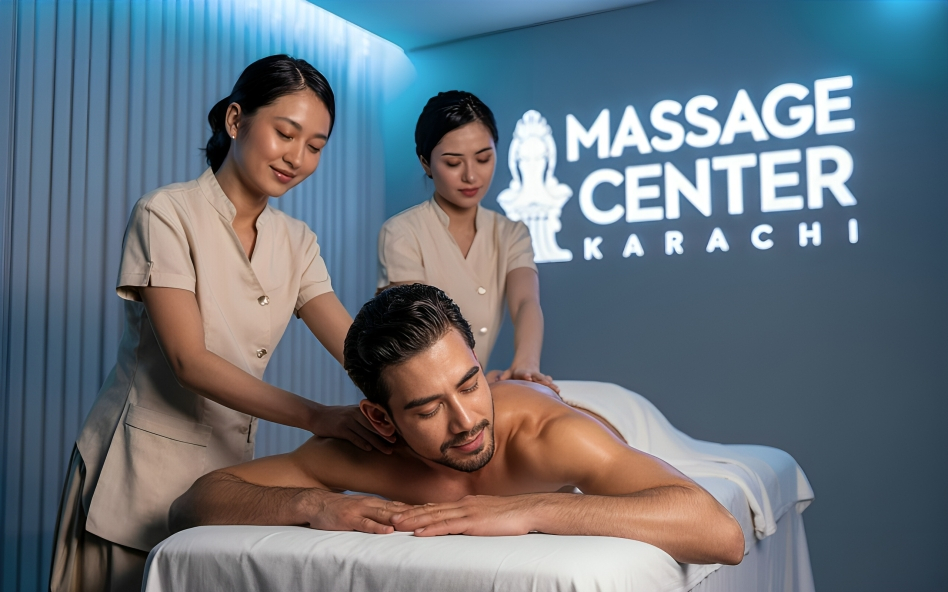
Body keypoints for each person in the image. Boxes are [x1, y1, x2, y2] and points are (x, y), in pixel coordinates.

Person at [49, 55, 392, 592]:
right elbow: (190, 361)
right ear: (236, 121)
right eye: (286, 133)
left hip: (230, 483)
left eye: (316, 147)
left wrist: (427, 393)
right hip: (139, 473)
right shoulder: (165, 213)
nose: (297, 158)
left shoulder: (297, 241)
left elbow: (356, 347)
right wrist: (317, 416)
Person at [170, 284, 745, 566]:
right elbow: (196, 503)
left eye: (468, 383)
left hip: (593, 409)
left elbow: (721, 534)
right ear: (380, 418)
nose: (466, 421)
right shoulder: (363, 450)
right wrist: (312, 505)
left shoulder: (551, 439)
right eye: (426, 408)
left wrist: (529, 509)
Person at [377, 91, 557, 392]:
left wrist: (526, 367)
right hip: (419, 388)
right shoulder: (402, 232)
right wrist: (472, 379)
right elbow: (417, 333)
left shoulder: (510, 233)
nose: (471, 176)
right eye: (453, 163)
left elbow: (526, 302)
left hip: (475, 386)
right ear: (426, 163)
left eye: (483, 158)